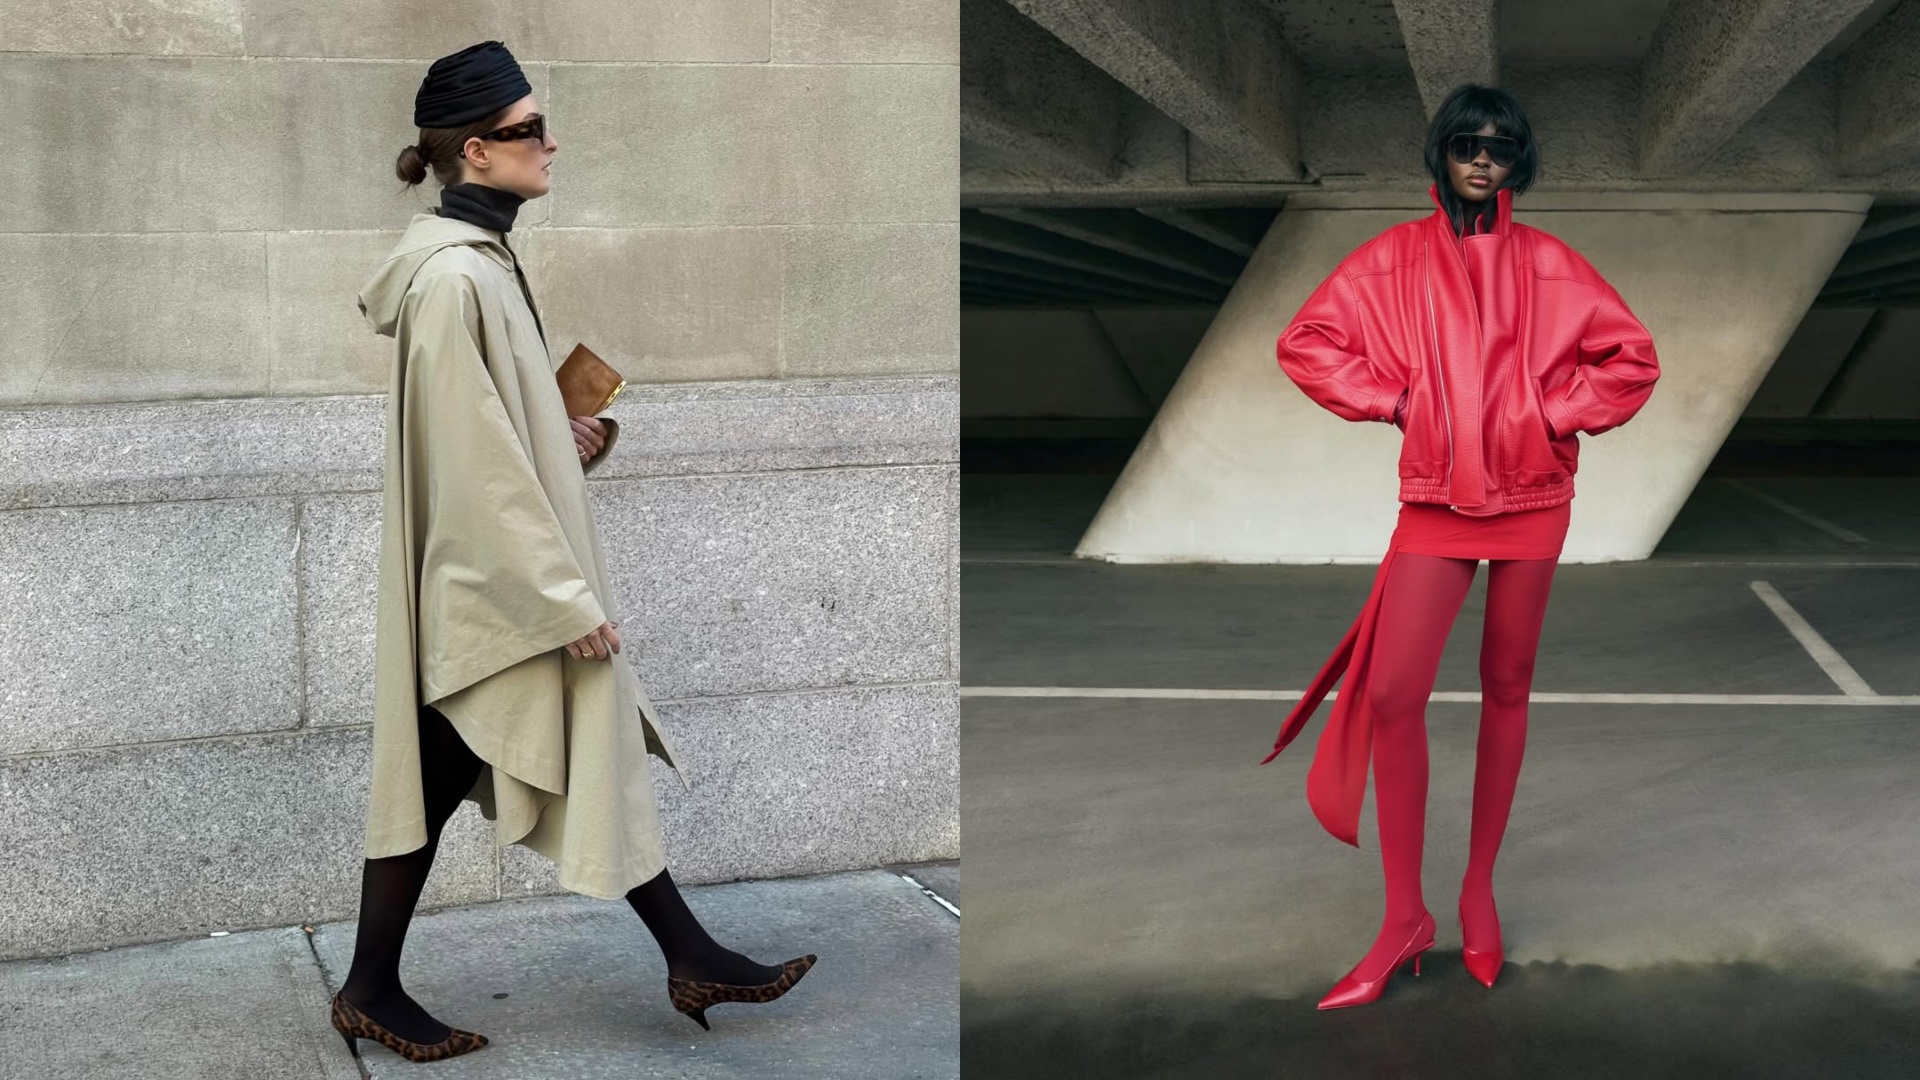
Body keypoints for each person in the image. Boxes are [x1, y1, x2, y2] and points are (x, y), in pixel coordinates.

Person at [329, 41, 814, 1062]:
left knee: (469, 763)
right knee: (475, 758)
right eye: (531, 130)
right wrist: (559, 599)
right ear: (476, 150)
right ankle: (380, 987)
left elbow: (493, 432)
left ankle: (685, 955)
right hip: (494, 590)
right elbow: (471, 468)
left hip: (495, 584)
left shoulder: (484, 262)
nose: (551, 145)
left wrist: (560, 431)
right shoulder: (453, 278)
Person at [1259, 84, 1660, 1010]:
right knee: (1393, 694)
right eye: (1468, 143)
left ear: (1520, 162)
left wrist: (1547, 414)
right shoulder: (1393, 257)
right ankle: (1405, 916)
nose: (1484, 159)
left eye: (1502, 147)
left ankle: (1478, 891)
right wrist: (1397, 401)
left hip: (1534, 498)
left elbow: (1632, 359)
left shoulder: (1552, 263)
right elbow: (1307, 343)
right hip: (1437, 498)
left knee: (1507, 688)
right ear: (1442, 151)